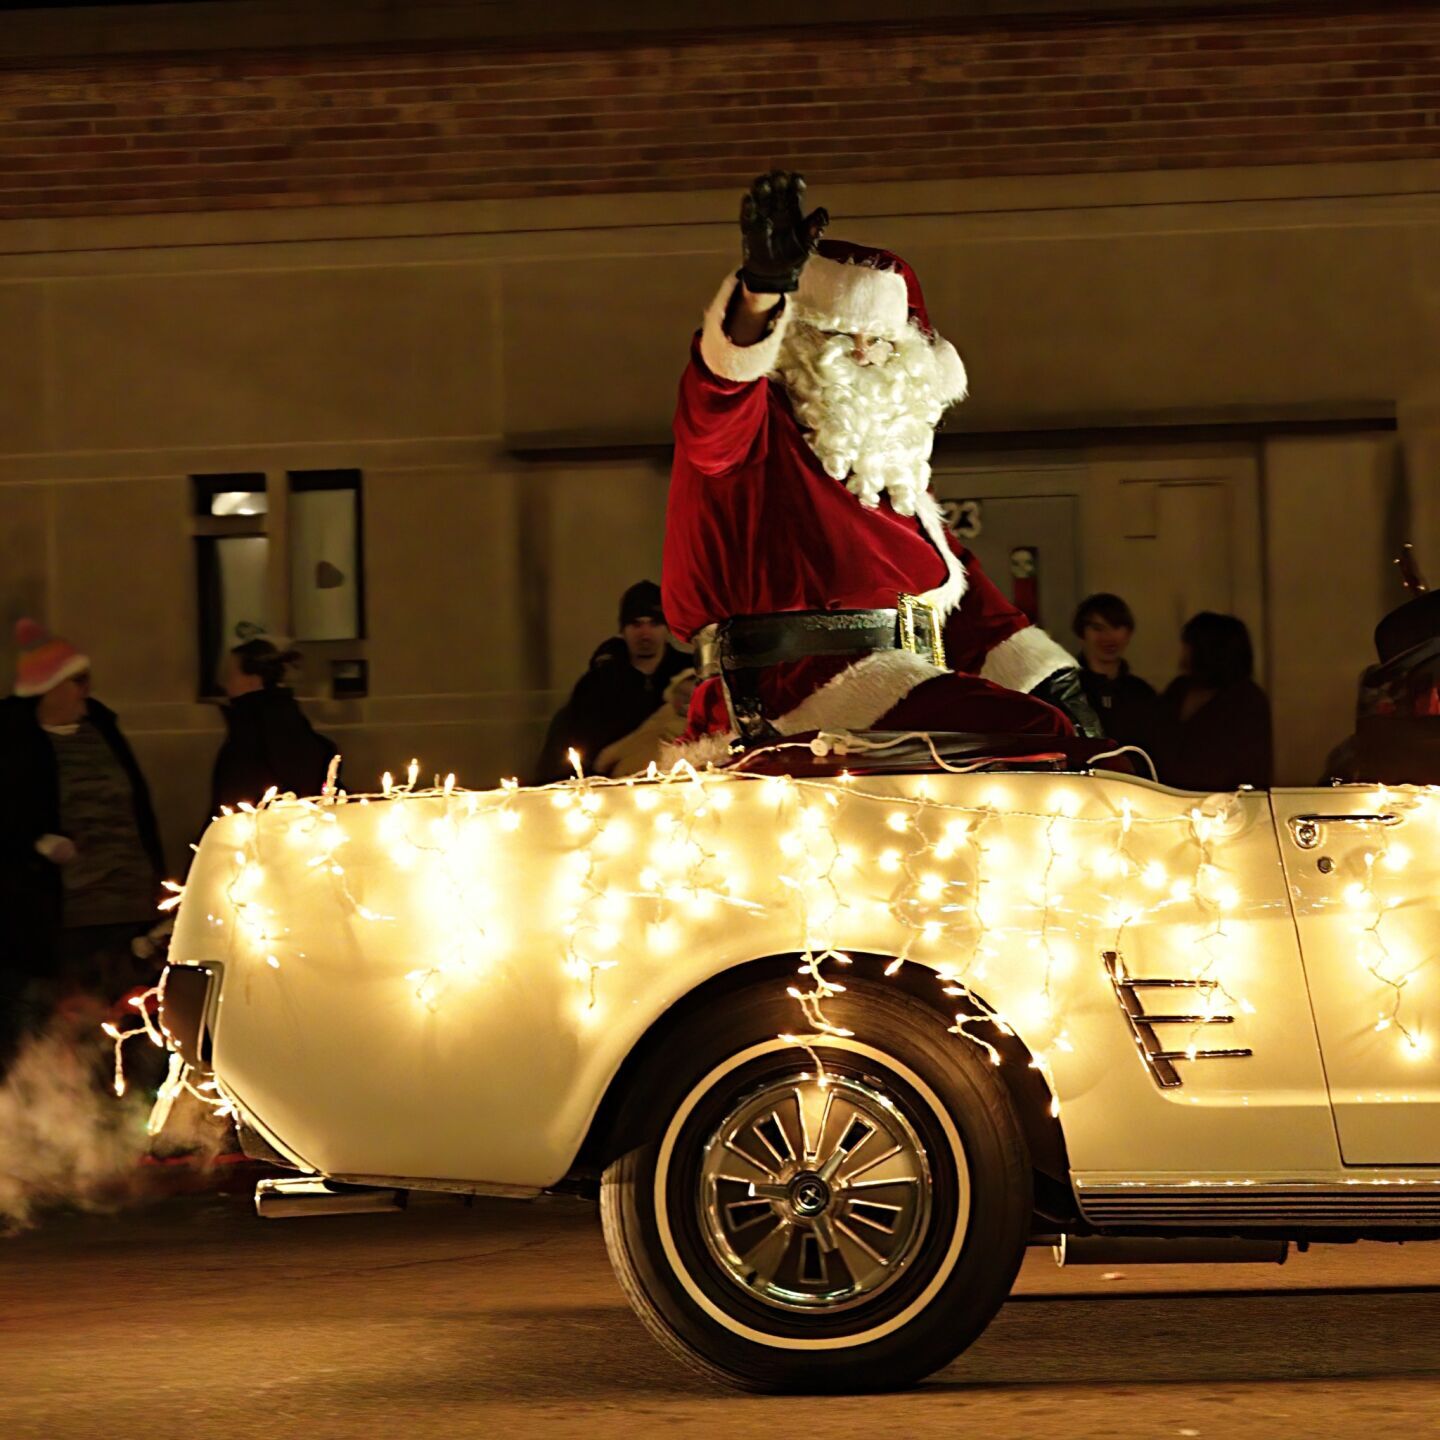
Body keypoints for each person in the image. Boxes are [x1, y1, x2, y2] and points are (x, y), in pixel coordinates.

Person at [664, 170, 1100, 755]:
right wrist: (760, 293)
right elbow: (719, 390)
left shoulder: (892, 475)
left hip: (886, 679)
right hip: (789, 688)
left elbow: (962, 597)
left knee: (1064, 734)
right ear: (795, 342)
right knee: (1032, 737)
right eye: (838, 338)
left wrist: (1053, 679)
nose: (864, 354)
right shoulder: (755, 434)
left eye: (883, 341)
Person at [0, 620, 165, 1053]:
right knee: (66, 1028)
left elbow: (136, 809)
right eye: (76, 681)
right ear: (49, 688)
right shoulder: (14, 741)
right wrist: (35, 844)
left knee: (130, 1019)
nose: (84, 691)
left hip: (126, 909)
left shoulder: (103, 730)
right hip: (62, 917)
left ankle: (125, 1107)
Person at [532, 581, 692, 783]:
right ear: (623, 629)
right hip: (610, 791)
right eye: (636, 624)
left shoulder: (689, 675)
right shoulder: (597, 684)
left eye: (654, 623)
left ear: (667, 628)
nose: (645, 633)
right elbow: (571, 749)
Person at [211, 627, 338, 815]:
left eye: (231, 675)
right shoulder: (287, 720)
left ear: (253, 680)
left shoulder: (254, 730)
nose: (226, 685)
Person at [1153, 612, 1272, 791]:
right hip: (1167, 798)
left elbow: (1250, 766)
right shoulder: (1179, 689)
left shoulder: (1246, 700)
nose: (1183, 652)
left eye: (1188, 645)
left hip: (1222, 806)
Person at [1071, 593, 1157, 752]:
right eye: (1097, 628)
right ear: (1082, 633)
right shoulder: (1065, 691)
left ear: (1128, 633)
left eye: (1116, 627)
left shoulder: (1142, 693)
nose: (1108, 637)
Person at [595, 668, 698, 777]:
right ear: (672, 694)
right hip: (629, 773)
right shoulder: (665, 714)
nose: (687, 701)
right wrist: (607, 757)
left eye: (693, 695)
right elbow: (636, 737)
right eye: (682, 694)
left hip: (666, 777)